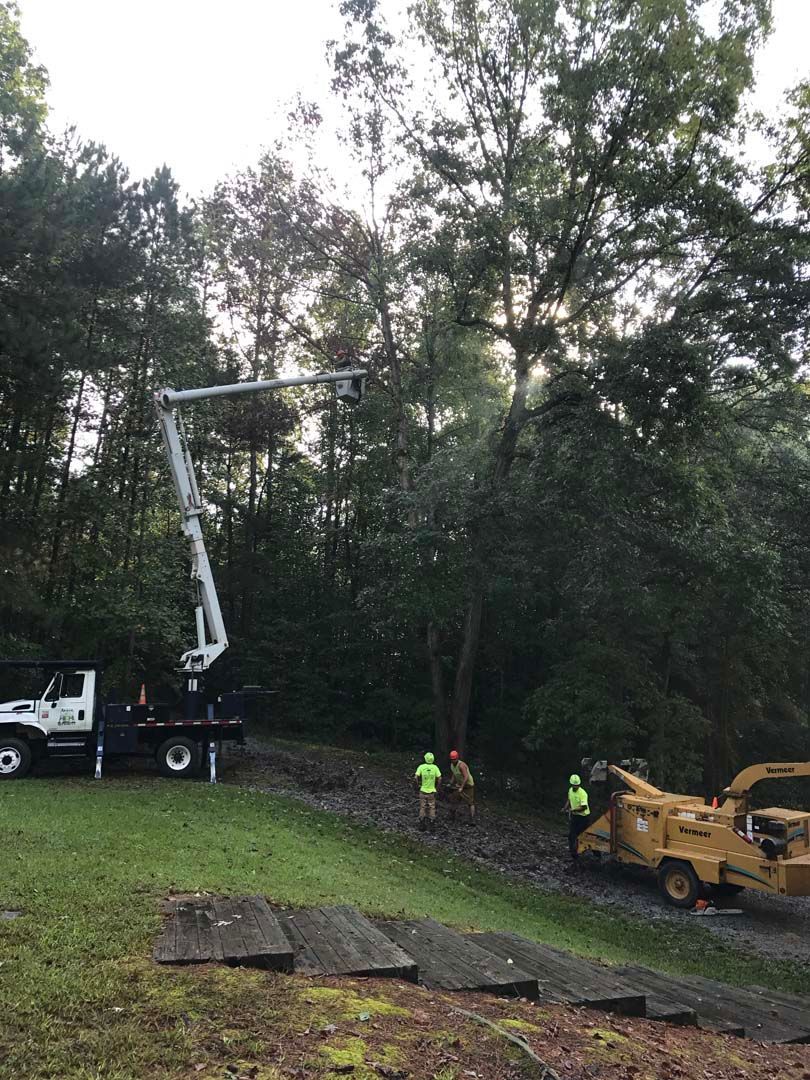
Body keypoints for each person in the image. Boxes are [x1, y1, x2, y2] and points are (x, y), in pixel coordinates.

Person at [562, 773, 590, 859]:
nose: (575, 787)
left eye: (576, 785)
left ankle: (596, 853)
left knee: (582, 835)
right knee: (571, 835)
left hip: (583, 817)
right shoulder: (570, 790)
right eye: (574, 785)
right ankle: (573, 853)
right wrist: (565, 808)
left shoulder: (583, 793)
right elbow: (569, 799)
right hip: (575, 816)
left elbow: (584, 807)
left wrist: (573, 810)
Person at [414, 751, 442, 831]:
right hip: (432, 791)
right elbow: (440, 778)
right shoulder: (435, 768)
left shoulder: (421, 767)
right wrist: (437, 788)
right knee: (432, 807)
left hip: (423, 790)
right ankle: (432, 824)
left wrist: (417, 785)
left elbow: (415, 777)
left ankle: (422, 824)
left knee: (422, 807)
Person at [448, 749, 475, 824]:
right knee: (454, 799)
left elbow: (466, 777)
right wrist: (450, 783)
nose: (453, 761)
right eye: (452, 759)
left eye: (454, 759)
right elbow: (454, 774)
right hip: (459, 785)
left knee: (470, 802)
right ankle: (452, 817)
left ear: (457, 758)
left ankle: (472, 819)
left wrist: (461, 787)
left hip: (468, 785)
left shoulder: (461, 765)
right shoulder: (452, 765)